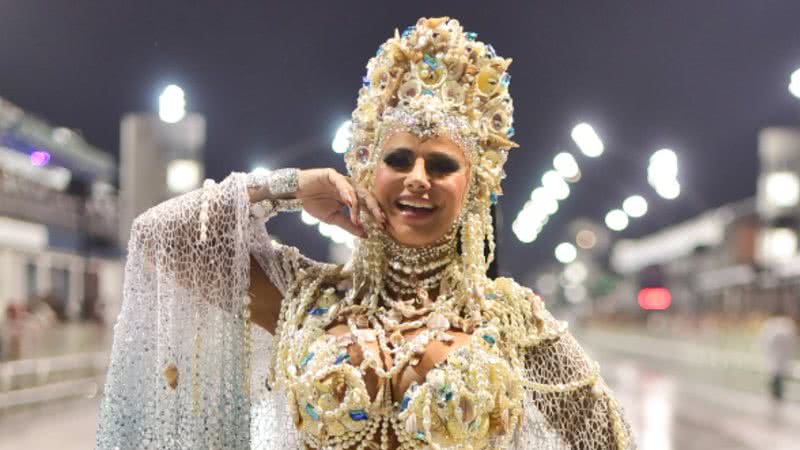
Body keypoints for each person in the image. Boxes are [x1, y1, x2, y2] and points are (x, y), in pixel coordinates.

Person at [96, 17, 635, 450]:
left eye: (441, 165)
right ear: (366, 170)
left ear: (475, 188)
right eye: (398, 160)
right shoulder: (307, 300)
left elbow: (608, 440)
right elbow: (161, 237)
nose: (417, 179)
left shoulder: (513, 322)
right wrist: (291, 186)